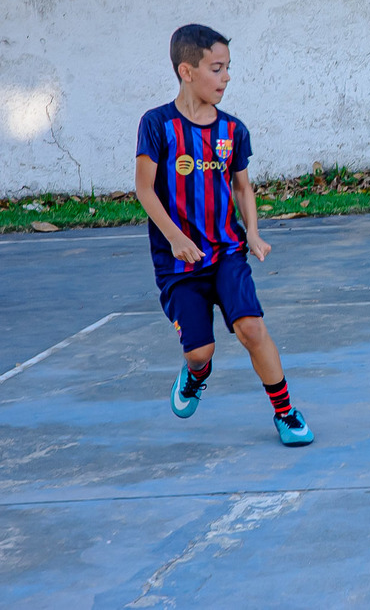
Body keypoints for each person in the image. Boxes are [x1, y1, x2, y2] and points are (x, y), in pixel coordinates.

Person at [135, 24, 313, 446]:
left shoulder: (233, 131)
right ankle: (195, 374)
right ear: (187, 71)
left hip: (227, 252)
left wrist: (252, 232)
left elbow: (241, 186)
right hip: (179, 262)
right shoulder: (157, 125)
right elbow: (144, 189)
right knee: (201, 352)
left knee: (252, 328)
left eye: (228, 68)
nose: (226, 77)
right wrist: (176, 237)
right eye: (217, 69)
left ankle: (286, 413)